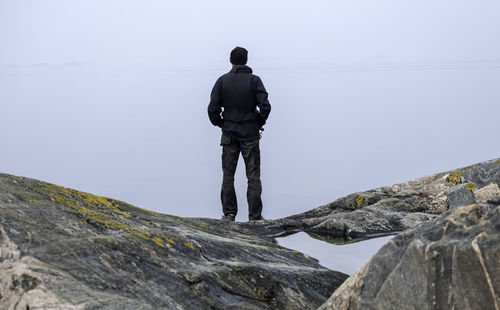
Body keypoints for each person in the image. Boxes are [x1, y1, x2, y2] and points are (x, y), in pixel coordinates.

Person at [207, 47, 271, 222]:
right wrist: (258, 122)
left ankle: (229, 214)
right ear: (246, 60)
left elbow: (212, 109)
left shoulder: (222, 81)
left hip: (229, 135)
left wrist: (222, 123)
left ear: (231, 61)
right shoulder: (254, 81)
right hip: (250, 134)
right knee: (253, 176)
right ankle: (255, 217)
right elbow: (265, 106)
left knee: (228, 175)